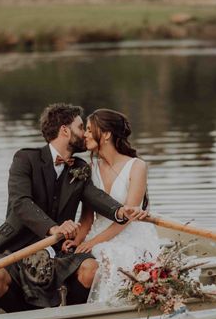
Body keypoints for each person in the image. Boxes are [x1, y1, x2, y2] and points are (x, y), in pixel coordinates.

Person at [0, 103, 145, 312]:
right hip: (18, 248)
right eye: (81, 127)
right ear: (65, 130)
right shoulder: (25, 159)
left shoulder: (80, 168)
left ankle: (69, 316)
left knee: (90, 269)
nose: (85, 134)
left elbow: (96, 197)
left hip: (60, 252)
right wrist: (54, 229)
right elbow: (20, 203)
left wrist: (120, 211)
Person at [62, 109, 161, 305]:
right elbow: (87, 218)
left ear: (106, 134)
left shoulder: (136, 166)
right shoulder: (89, 169)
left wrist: (93, 243)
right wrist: (78, 241)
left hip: (128, 233)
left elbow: (127, 217)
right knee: (93, 258)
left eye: (90, 130)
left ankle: (114, 309)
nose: (85, 134)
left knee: (110, 255)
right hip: (98, 233)